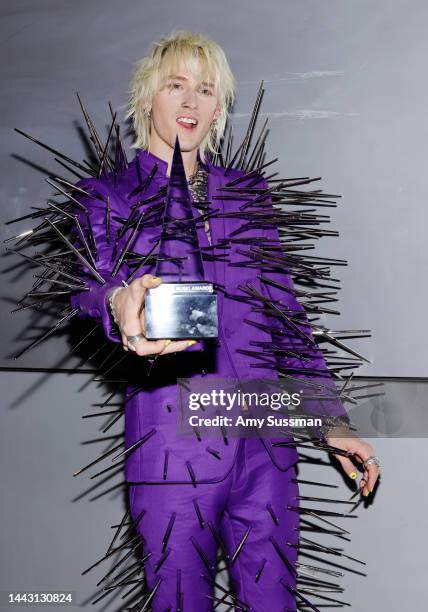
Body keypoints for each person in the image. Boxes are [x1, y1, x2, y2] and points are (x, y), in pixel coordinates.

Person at [69, 30, 380, 612]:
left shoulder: (248, 195)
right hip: (171, 450)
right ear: (147, 100)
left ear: (219, 105)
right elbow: (90, 288)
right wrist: (118, 304)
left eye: (206, 89)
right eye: (176, 86)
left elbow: (287, 319)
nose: (191, 102)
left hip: (266, 446)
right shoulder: (107, 195)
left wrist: (333, 424)